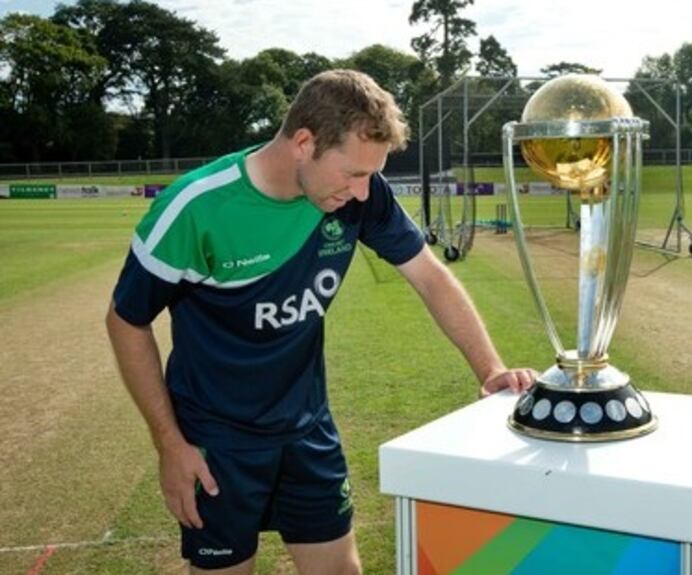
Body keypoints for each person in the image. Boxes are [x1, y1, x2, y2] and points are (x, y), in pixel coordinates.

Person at [105, 69, 536, 574]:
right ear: (304, 143)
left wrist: (489, 369)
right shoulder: (196, 208)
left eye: (370, 176)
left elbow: (430, 276)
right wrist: (170, 444)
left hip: (307, 430)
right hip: (216, 442)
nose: (361, 193)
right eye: (352, 173)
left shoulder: (362, 194)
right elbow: (125, 321)